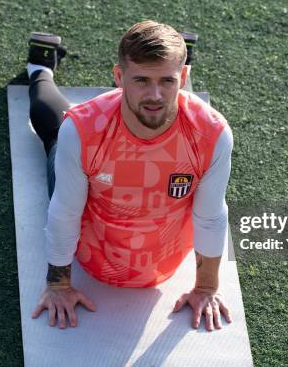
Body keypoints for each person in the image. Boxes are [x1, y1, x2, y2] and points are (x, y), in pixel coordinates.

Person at [27, 20, 234, 332]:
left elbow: (211, 216)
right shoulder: (82, 131)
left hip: (164, 261)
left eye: (168, 79)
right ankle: (40, 70)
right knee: (52, 126)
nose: (154, 93)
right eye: (140, 80)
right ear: (119, 77)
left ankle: (177, 56)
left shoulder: (213, 133)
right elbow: (64, 213)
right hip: (92, 243)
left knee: (171, 109)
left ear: (183, 76)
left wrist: (206, 288)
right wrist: (59, 285)